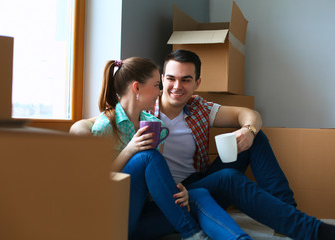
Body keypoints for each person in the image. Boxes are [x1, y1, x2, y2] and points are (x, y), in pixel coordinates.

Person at [70, 51, 335, 240]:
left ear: (196, 83)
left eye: (186, 80)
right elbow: (102, 121)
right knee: (228, 179)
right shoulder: (143, 106)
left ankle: (286, 213)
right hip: (160, 193)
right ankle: (310, 230)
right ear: (160, 80)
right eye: (170, 79)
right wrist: (80, 131)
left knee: (256, 138)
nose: (176, 86)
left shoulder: (199, 107)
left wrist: (249, 130)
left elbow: (248, 114)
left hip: (194, 182)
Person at [91, 57, 252, 240]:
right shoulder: (106, 126)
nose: (160, 92)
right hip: (114, 217)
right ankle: (192, 233)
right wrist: (130, 149)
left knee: (197, 194)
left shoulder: (154, 124)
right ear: (137, 88)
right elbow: (98, 184)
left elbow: (156, 181)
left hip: (145, 215)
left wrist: (177, 191)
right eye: (156, 85)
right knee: (147, 156)